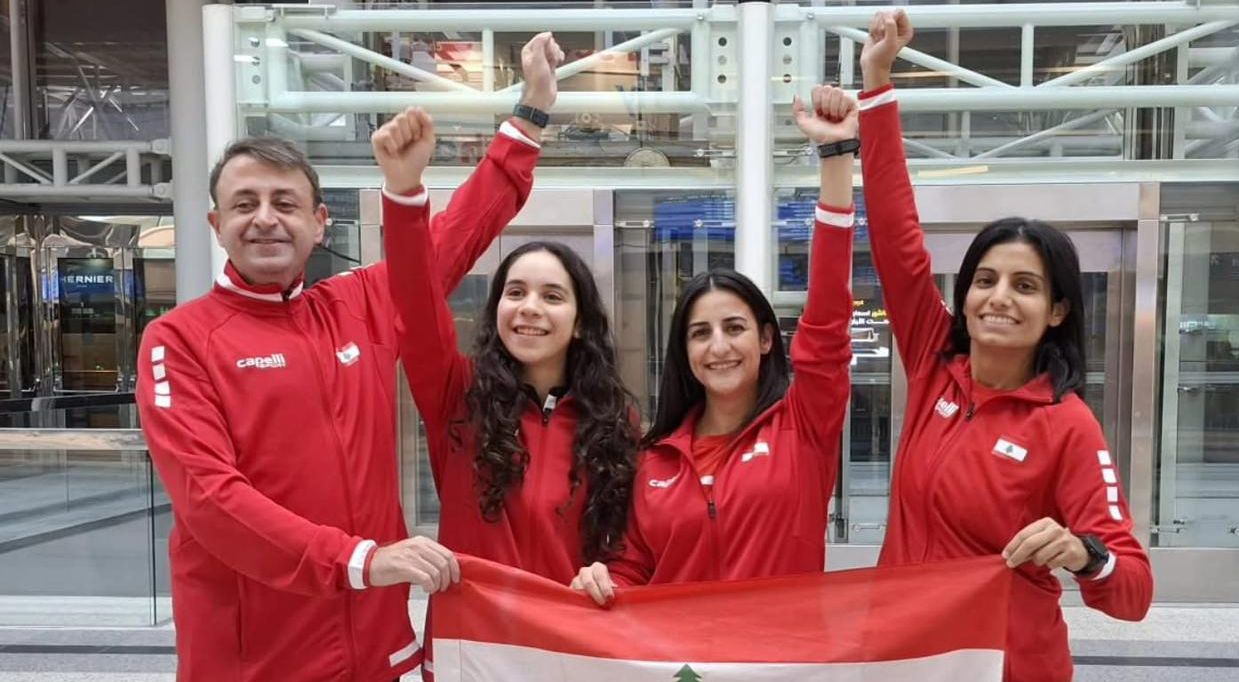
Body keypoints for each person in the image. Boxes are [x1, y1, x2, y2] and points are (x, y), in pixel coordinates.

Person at [134, 57, 548, 680]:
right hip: (255, 663)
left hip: (375, 649)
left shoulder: (358, 305)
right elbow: (210, 501)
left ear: (319, 221)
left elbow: (456, 235)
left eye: (285, 202)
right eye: (244, 204)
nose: (265, 218)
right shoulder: (178, 340)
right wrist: (358, 561)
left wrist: (531, 115)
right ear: (217, 225)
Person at [856, 10, 1153, 681]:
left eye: (1025, 286)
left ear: (1056, 311)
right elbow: (897, 237)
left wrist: (1083, 553)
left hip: (1009, 666)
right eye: (984, 280)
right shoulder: (935, 361)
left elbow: (1133, 589)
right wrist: (877, 83)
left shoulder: (1066, 424)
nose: (998, 298)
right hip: (906, 657)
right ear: (963, 296)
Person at [377, 33, 640, 679]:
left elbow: (634, 543)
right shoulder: (457, 396)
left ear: (580, 321)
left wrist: (613, 576)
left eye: (552, 296)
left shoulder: (615, 421)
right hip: (471, 649)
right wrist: (405, 196)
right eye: (515, 292)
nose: (529, 308)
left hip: (570, 651)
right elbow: (414, 298)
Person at [570, 84, 856, 599]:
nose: (718, 346)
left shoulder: (803, 427)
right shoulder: (654, 459)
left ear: (766, 339)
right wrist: (602, 578)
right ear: (685, 352)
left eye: (735, 327)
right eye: (700, 333)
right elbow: (635, 568)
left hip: (779, 647)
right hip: (682, 652)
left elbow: (828, 322)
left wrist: (836, 158)